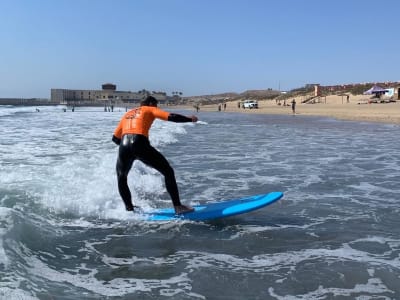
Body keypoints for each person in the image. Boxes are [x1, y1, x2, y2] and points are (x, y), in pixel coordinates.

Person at [112, 96, 198, 214]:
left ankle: (129, 209)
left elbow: (115, 138)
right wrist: (189, 119)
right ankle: (178, 207)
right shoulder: (149, 109)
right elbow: (171, 116)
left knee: (121, 177)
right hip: (139, 142)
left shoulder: (128, 113)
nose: (157, 108)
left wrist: (129, 151)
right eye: (156, 105)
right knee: (168, 171)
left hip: (124, 144)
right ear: (151, 103)